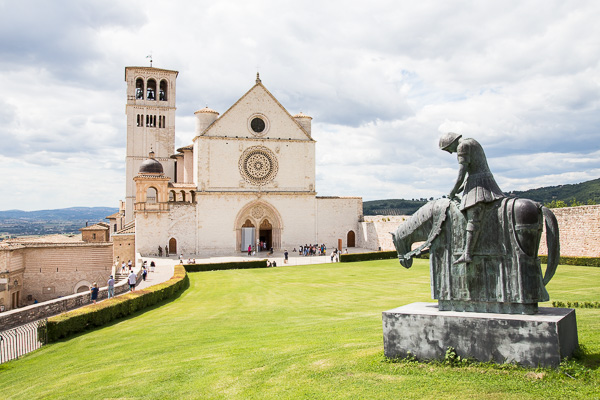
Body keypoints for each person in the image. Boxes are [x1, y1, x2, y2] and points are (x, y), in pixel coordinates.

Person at [439, 132, 506, 264]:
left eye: (447, 149)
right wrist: (458, 190)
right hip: (479, 180)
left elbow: (461, 174)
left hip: (480, 184)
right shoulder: (472, 141)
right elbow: (470, 174)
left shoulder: (462, 146)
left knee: (472, 216)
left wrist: (452, 192)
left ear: (451, 143)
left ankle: (467, 253)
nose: (450, 153)